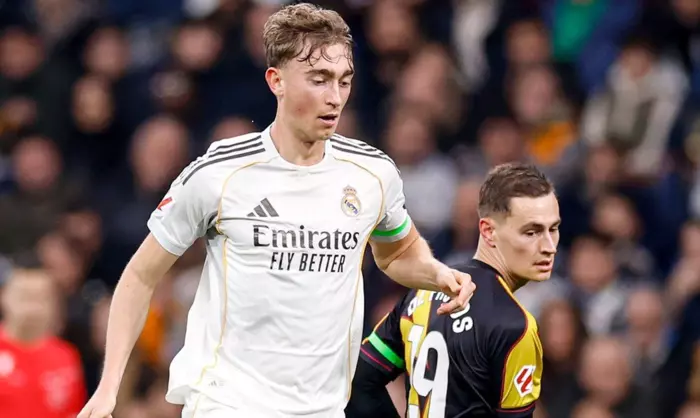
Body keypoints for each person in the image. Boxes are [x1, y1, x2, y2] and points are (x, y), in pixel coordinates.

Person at [78, 3, 475, 418]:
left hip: (323, 408)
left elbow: (397, 253)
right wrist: (109, 387)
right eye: (319, 79)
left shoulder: (373, 174)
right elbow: (140, 276)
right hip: (228, 404)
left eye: (344, 81)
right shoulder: (220, 173)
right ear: (276, 81)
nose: (334, 97)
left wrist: (438, 274)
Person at [345, 163, 559, 418]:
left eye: (553, 229)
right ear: (488, 231)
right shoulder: (515, 326)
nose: (549, 246)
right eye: (532, 232)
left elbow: (358, 380)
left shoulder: (420, 294)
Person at [0, 267, 87, 418]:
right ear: (4, 297)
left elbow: (75, 411)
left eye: (41, 298)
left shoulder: (66, 356)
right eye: (25, 297)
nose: (33, 307)